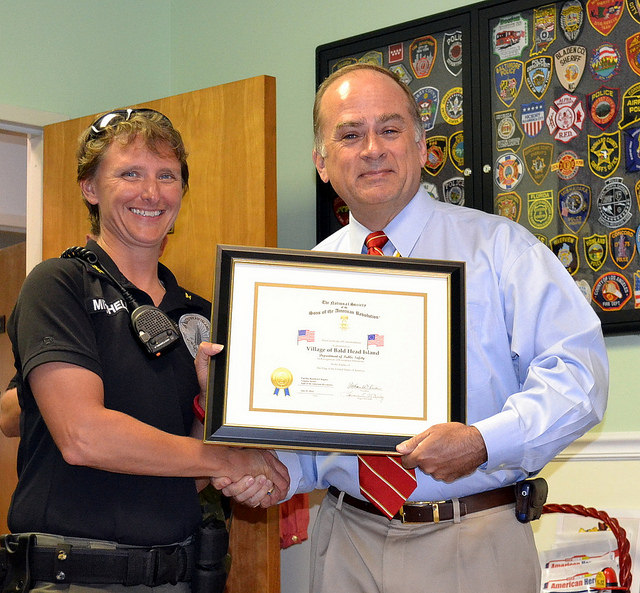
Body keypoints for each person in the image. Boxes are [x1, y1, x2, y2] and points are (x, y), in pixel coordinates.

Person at [220, 64, 609, 593]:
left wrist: (482, 441)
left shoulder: (502, 251)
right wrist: (279, 470)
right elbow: (312, 431)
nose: (372, 148)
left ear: (423, 146)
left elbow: (579, 381)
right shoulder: (301, 279)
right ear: (322, 163)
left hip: (471, 540)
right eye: (350, 135)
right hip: (345, 541)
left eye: (390, 129)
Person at [0, 108, 289, 593]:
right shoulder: (58, 285)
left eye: (166, 176)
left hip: (176, 573)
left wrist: (209, 414)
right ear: (90, 188)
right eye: (130, 173)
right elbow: (83, 436)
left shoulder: (201, 314)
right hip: (73, 575)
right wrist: (230, 462)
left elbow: (187, 475)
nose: (151, 192)